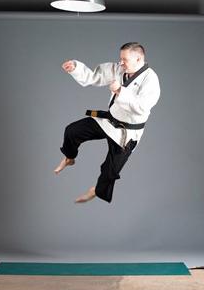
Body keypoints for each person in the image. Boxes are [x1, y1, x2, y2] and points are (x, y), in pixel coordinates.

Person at [53, 42, 160, 204]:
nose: (121, 63)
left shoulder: (151, 80)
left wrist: (120, 91)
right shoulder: (119, 69)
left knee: (110, 171)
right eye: (120, 59)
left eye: (125, 60)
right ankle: (69, 157)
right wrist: (75, 67)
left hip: (127, 133)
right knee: (72, 131)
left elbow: (142, 107)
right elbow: (93, 76)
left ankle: (96, 190)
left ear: (139, 59)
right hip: (110, 120)